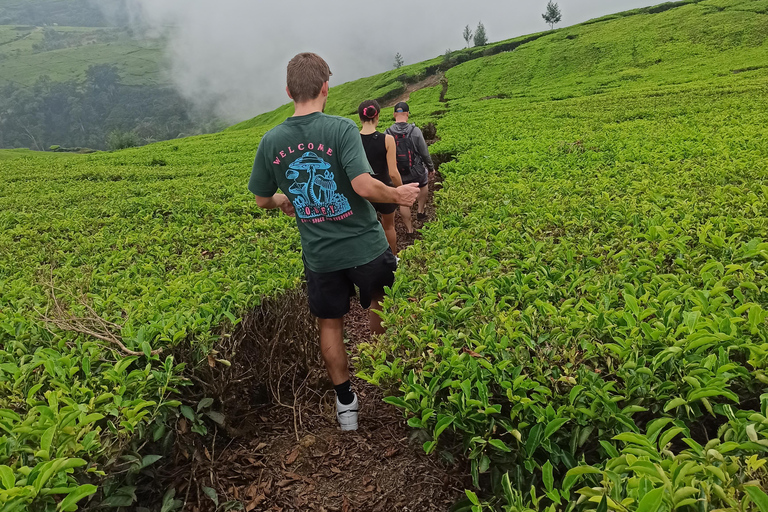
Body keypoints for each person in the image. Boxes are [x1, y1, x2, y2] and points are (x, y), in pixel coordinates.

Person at [248, 53, 419, 432]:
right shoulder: (341, 130)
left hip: (321, 255)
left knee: (330, 324)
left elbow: (262, 198)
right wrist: (398, 195)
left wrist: (283, 200)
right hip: (365, 245)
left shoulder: (271, 139)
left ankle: (346, 406)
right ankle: (387, 377)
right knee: (383, 305)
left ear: (289, 90)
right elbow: (361, 185)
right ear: (326, 87)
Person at [358, 99, 402, 258]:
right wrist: (400, 189)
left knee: (365, 229)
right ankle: (393, 259)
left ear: (360, 118)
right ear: (377, 117)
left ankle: (369, 261)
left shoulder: (353, 140)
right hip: (385, 190)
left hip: (364, 191)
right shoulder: (387, 140)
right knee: (389, 226)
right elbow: (393, 173)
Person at [386, 101, 435, 234]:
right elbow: (424, 152)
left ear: (394, 114)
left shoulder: (387, 132)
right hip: (417, 170)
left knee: (403, 199)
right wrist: (430, 167)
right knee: (423, 185)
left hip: (399, 173)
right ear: (407, 114)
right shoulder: (415, 131)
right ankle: (420, 211)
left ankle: (409, 229)